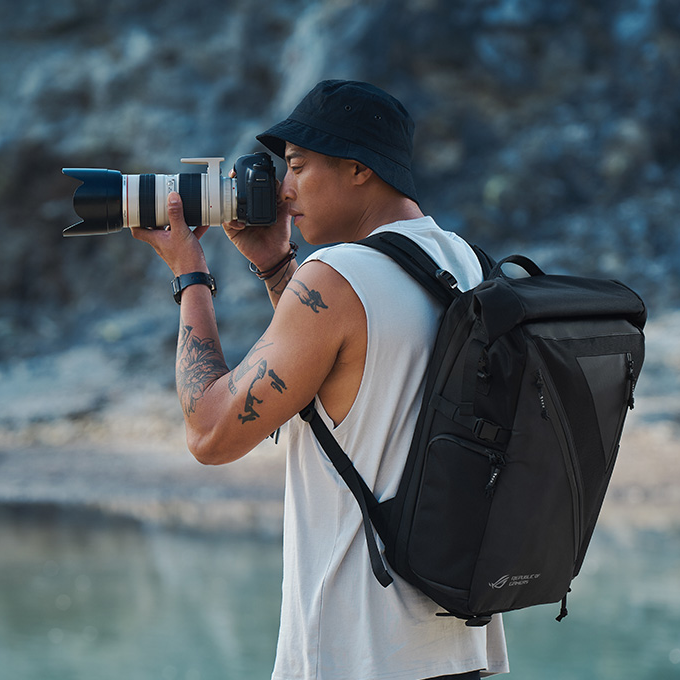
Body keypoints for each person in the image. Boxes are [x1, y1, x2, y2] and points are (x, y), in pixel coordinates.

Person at [132, 79, 509, 680]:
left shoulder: (337, 275)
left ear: (358, 170)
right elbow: (349, 375)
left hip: (356, 651)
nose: (283, 189)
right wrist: (278, 266)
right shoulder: (464, 264)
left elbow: (209, 432)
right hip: (454, 645)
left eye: (299, 166)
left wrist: (190, 273)